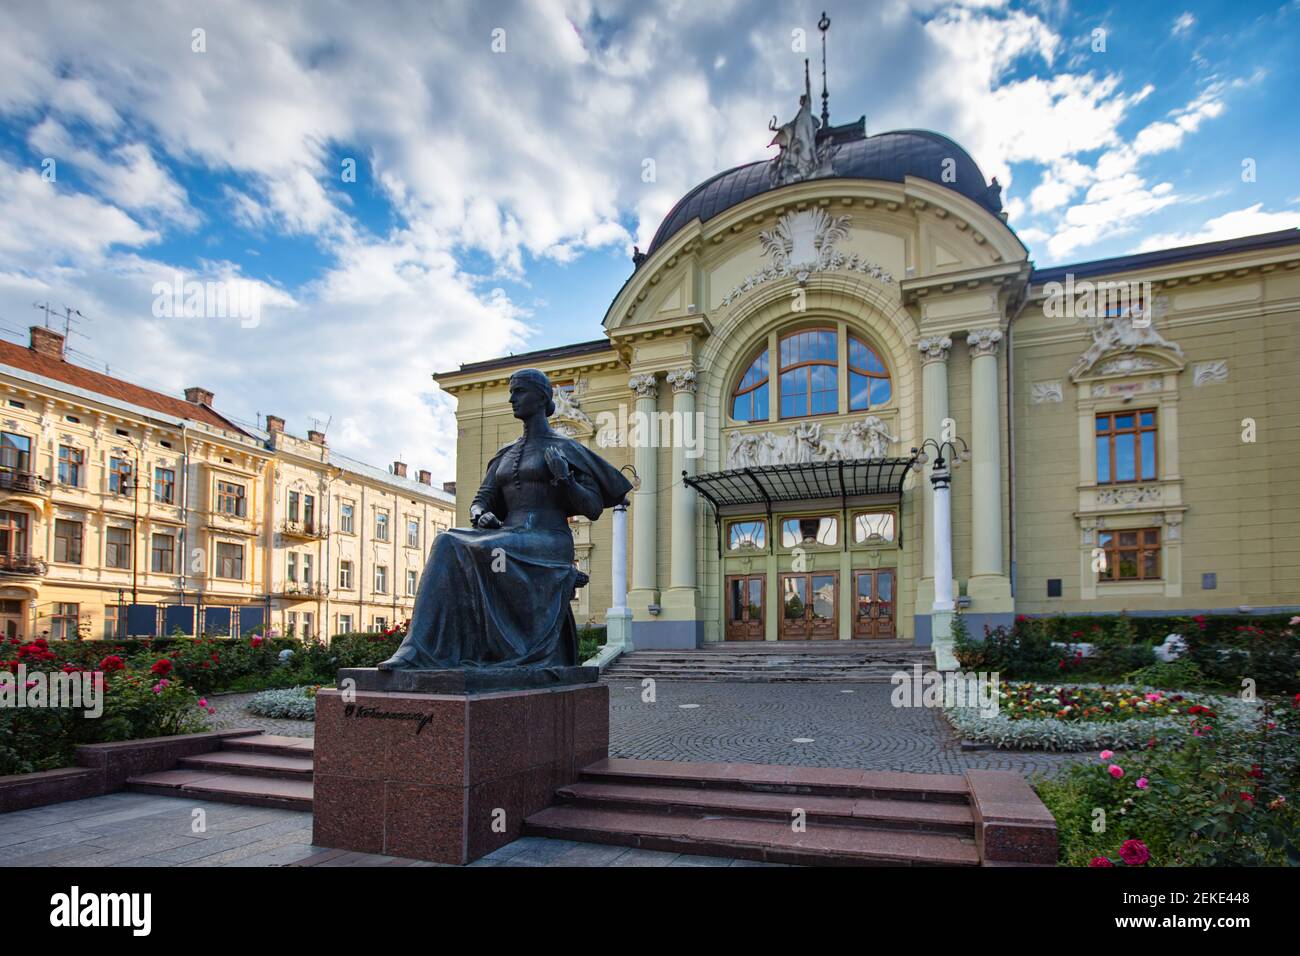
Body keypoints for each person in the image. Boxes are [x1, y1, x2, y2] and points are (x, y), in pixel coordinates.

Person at [378, 368, 632, 670]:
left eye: (519, 391)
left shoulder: (567, 449)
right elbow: (482, 499)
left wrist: (565, 479)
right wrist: (480, 514)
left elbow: (591, 507)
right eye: (511, 392)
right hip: (509, 534)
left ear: (541, 398)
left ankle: (436, 652)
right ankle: (419, 651)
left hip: (548, 539)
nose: (511, 398)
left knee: (464, 547)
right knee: (447, 541)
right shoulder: (505, 453)